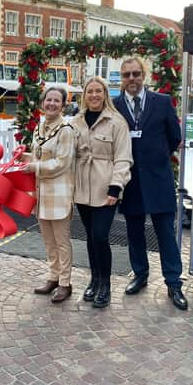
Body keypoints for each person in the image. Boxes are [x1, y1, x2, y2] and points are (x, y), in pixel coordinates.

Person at [113, 56, 188, 310]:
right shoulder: (115, 106)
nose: (131, 79)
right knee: (134, 233)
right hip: (131, 182)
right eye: (126, 75)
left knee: (165, 233)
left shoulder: (162, 102)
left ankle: (173, 282)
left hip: (159, 179)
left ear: (143, 75)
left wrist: (154, 159)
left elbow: (174, 137)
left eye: (135, 74)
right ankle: (140, 274)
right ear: (122, 79)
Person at [71, 77, 132, 308]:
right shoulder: (76, 121)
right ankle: (94, 279)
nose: (94, 95)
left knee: (100, 235)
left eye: (98, 91)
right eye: (90, 91)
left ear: (105, 94)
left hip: (105, 188)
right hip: (81, 187)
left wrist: (116, 186)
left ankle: (105, 283)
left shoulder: (117, 122)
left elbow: (123, 157)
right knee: (89, 236)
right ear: (84, 95)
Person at [21, 86, 76, 303]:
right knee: (48, 240)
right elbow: (39, 155)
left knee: (62, 240)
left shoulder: (66, 130)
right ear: (43, 103)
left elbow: (62, 163)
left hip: (59, 193)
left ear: (63, 105)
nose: (51, 104)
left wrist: (35, 168)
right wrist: (25, 157)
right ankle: (53, 276)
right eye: (48, 100)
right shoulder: (39, 127)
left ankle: (65, 282)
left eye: (56, 100)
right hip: (41, 194)